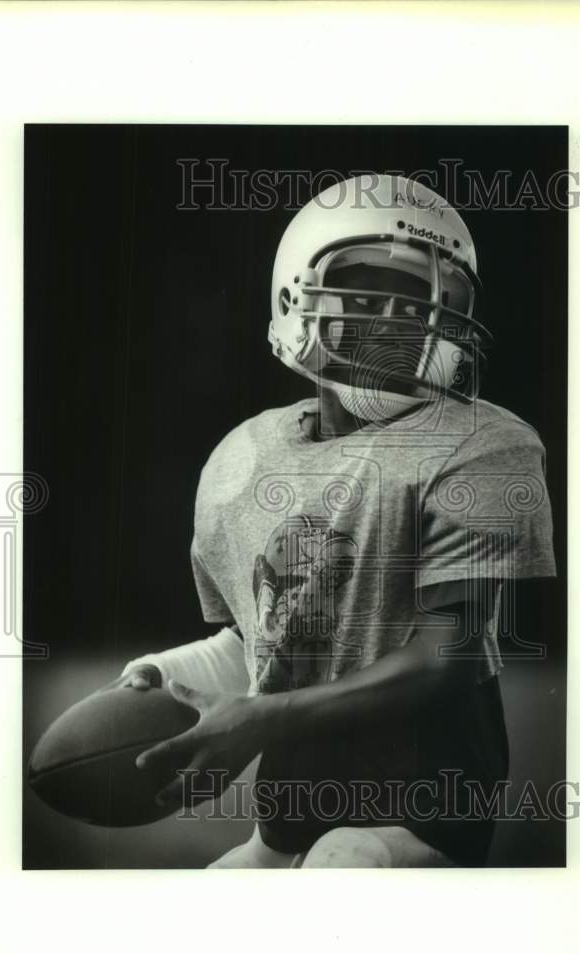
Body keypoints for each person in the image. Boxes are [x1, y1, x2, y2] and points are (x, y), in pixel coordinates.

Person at [117, 174, 556, 867]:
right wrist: (164, 676)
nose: (401, 320)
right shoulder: (246, 456)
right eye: (368, 291)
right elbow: (268, 640)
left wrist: (260, 720)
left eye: (420, 300)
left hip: (419, 806)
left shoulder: (481, 440)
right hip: (289, 810)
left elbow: (453, 649)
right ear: (295, 299)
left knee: (343, 873)